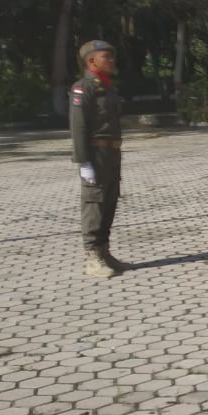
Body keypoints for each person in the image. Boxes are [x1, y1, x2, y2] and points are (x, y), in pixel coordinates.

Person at [70, 40, 127, 278]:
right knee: (95, 203)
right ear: (92, 60)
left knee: (109, 200)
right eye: (107, 57)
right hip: (95, 153)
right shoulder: (83, 88)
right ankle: (92, 258)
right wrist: (83, 162)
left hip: (112, 152)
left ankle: (105, 252)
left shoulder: (108, 87)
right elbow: (79, 126)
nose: (112, 61)